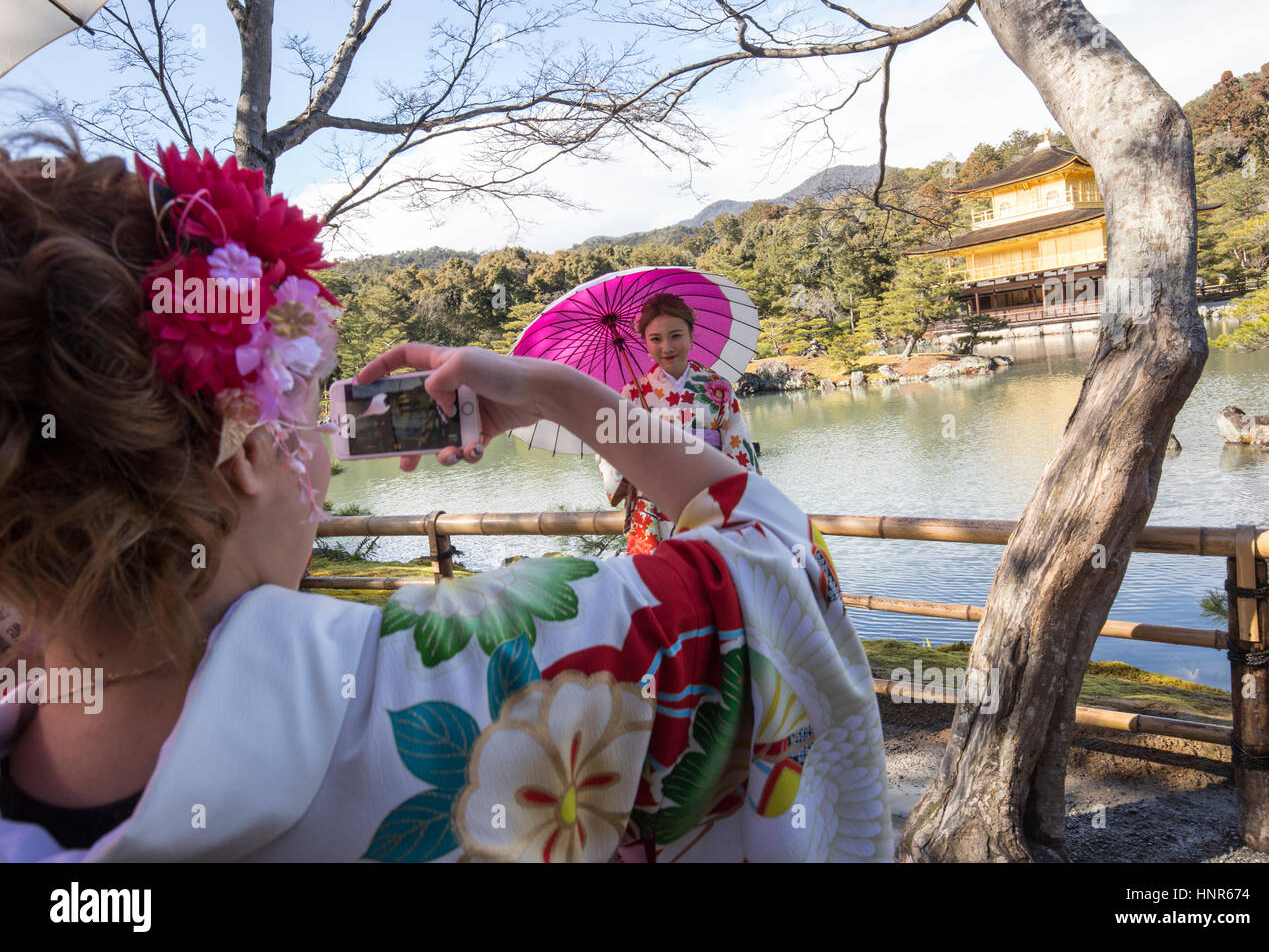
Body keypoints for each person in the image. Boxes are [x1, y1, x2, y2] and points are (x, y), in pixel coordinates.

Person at [0, 137, 890, 862]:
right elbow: (779, 562)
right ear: (250, 449)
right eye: (311, 403)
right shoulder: (482, 676)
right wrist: (558, 393)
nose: (324, 437)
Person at [596, 293, 761, 555]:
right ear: (646, 343)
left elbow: (739, 451)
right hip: (653, 508)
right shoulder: (632, 395)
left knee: (708, 580)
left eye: (676, 335)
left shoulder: (718, 388)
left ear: (691, 335)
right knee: (659, 585)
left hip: (710, 501)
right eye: (655, 339)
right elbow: (609, 453)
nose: (667, 347)